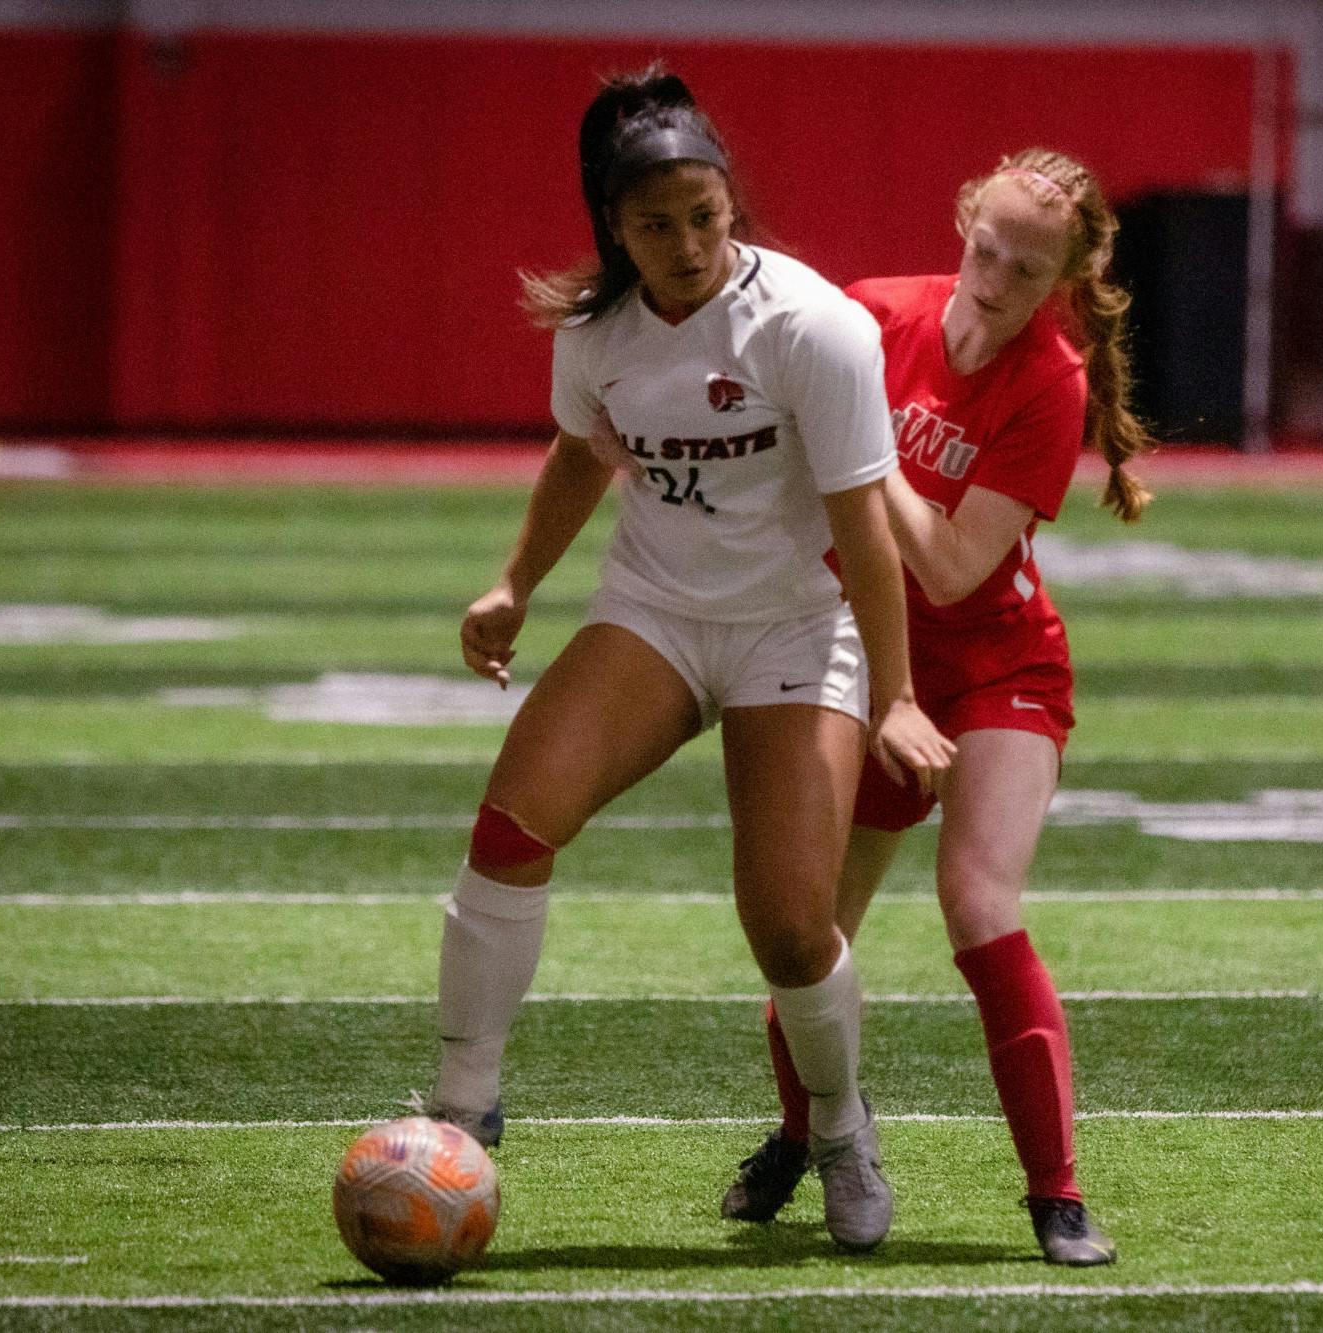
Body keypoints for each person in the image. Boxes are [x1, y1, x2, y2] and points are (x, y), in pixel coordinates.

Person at [419, 67, 955, 1255]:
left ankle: (838, 1127)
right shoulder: (596, 331)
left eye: (704, 217)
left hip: (792, 627)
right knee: (512, 827)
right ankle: (460, 1110)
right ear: (613, 226)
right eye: (654, 224)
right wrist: (517, 585)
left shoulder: (813, 326)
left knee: (788, 926)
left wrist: (897, 694)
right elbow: (581, 455)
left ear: (732, 206)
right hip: (655, 610)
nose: (684, 244)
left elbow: (866, 528)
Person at [714, 148, 1151, 1266]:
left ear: (1062, 278)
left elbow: (955, 567)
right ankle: (804, 1131)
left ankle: (1055, 1194)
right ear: (961, 225)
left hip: (995, 665)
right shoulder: (870, 317)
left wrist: (862, 454)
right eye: (983, 251)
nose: (993, 281)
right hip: (862, 650)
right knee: (807, 923)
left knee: (976, 898)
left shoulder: (1049, 380)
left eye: (1024, 267)